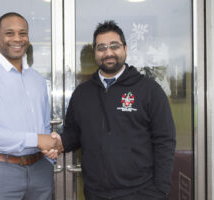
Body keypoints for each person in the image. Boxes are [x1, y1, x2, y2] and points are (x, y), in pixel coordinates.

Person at [46, 20, 176, 200]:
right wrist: (59, 141)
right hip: (96, 193)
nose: (108, 52)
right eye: (101, 48)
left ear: (125, 48)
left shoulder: (149, 90)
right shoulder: (82, 93)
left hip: (142, 192)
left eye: (114, 46)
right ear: (95, 53)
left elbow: (165, 140)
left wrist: (160, 190)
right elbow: (74, 133)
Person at [0, 12, 58, 200]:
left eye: (22, 33)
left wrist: (50, 150)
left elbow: (44, 128)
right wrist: (36, 140)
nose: (17, 38)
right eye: (10, 33)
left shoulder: (37, 80)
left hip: (40, 171)